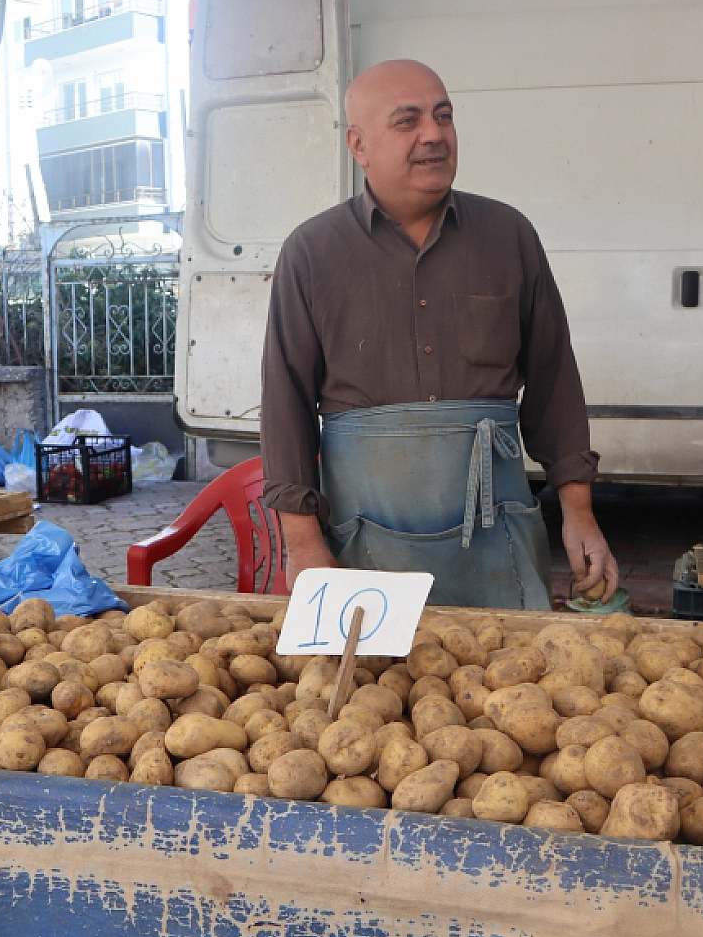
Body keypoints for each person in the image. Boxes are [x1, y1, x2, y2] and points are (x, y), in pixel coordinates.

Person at [260, 59, 619, 610]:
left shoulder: (509, 236)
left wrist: (580, 513)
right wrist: (303, 541)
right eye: (407, 121)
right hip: (364, 541)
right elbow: (284, 402)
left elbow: (554, 380)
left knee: (512, 688)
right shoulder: (311, 253)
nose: (434, 134)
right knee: (372, 694)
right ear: (359, 145)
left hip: (497, 536)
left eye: (443, 116)